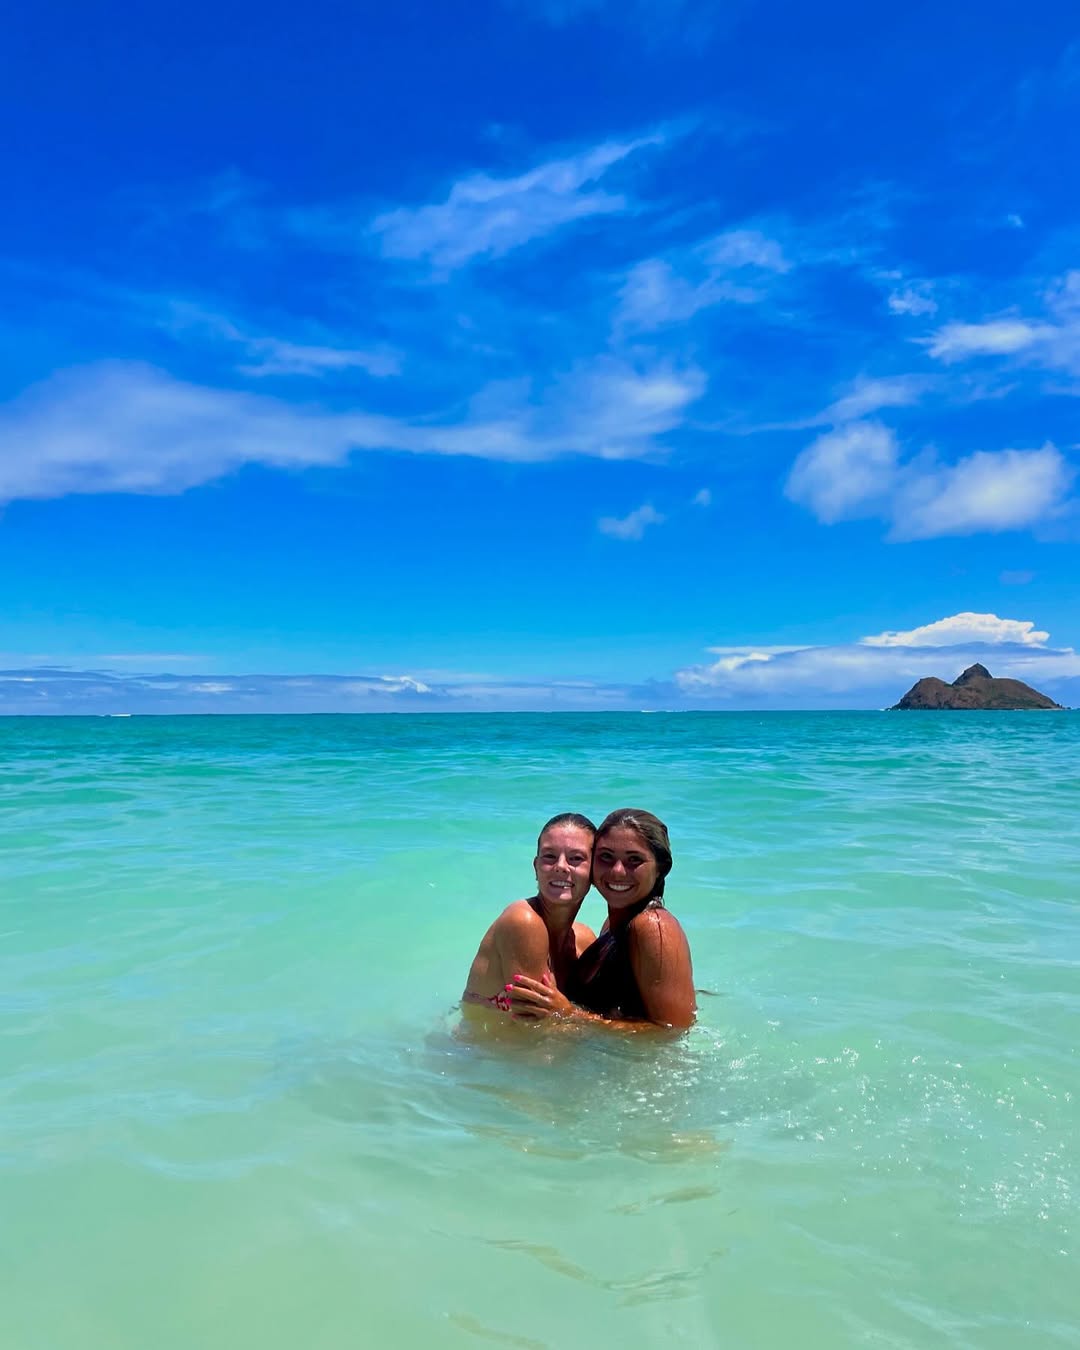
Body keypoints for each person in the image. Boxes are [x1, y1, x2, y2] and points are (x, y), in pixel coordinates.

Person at [509, 808, 695, 1030]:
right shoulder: (612, 927)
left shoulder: (653, 926)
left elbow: (672, 1032)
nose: (617, 871)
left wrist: (571, 1014)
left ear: (660, 869)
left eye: (634, 860)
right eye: (606, 856)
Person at [461, 812, 598, 1016]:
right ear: (536, 867)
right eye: (549, 856)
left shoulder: (583, 940)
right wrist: (570, 1013)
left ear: (595, 871)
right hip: (476, 1038)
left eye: (576, 858)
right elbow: (536, 1028)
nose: (560, 866)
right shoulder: (523, 921)